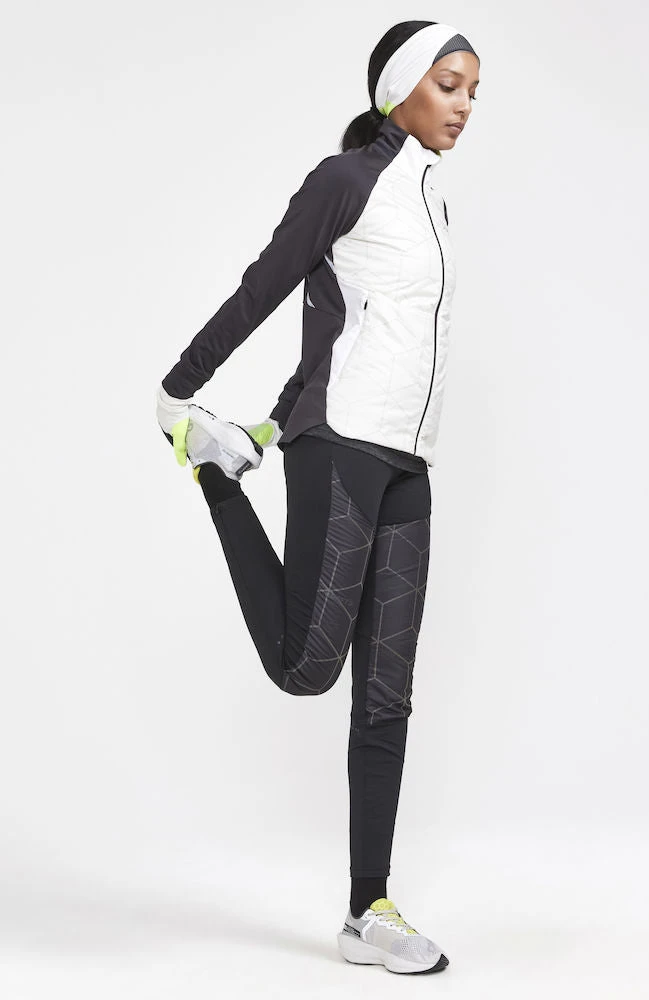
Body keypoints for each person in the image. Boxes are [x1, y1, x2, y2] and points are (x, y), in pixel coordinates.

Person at [156, 20, 480, 975]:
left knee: (386, 698)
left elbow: (336, 330)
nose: (465, 105)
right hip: (339, 448)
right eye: (450, 84)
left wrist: (265, 421)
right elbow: (267, 287)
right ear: (401, 87)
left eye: (473, 91)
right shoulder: (347, 181)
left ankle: (367, 910)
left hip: (409, 463)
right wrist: (180, 389)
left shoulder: (434, 201)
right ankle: (214, 479)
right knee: (306, 668)